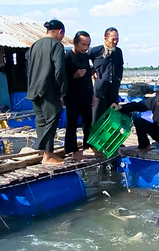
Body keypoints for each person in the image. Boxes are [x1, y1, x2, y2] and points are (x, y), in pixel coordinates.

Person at [26, 19, 68, 166]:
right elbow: (59, 70)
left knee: (41, 121)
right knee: (52, 118)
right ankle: (47, 155)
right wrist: (63, 90)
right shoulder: (56, 45)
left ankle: (45, 153)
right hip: (48, 90)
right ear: (60, 32)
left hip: (34, 90)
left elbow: (29, 68)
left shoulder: (35, 45)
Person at [64, 31, 94, 160]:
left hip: (86, 94)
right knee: (72, 123)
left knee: (88, 122)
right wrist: (74, 76)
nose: (86, 48)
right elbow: (61, 78)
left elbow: (88, 78)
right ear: (75, 43)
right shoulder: (67, 58)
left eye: (88, 45)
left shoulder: (85, 57)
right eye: (83, 45)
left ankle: (88, 146)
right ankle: (71, 149)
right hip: (72, 96)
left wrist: (92, 94)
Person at [89, 27, 124, 123]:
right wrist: (92, 71)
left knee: (112, 119)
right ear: (105, 38)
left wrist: (119, 78)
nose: (115, 41)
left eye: (117, 38)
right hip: (100, 91)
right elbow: (83, 59)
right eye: (113, 39)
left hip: (113, 91)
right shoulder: (96, 51)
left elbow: (120, 66)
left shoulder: (118, 52)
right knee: (96, 119)